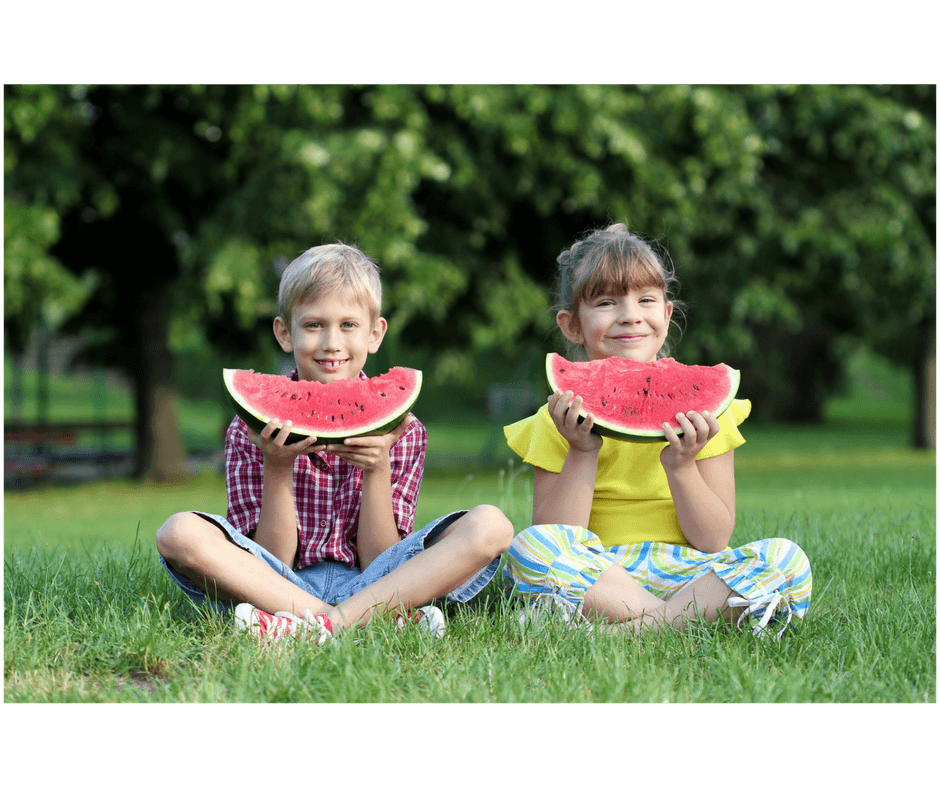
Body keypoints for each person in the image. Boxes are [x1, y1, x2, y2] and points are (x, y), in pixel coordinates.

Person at [157, 243, 514, 644]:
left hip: (373, 581)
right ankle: (367, 621)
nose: (331, 343)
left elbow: (381, 560)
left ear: (375, 334)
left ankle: (312, 626)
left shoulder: (403, 429)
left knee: (490, 526)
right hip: (279, 585)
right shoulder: (251, 430)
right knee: (178, 532)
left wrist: (377, 468)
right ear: (284, 333)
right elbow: (269, 562)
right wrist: (277, 468)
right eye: (313, 325)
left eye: (348, 325)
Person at [502, 223, 812, 639]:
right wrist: (581, 452)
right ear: (571, 325)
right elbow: (558, 533)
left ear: (666, 315)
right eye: (607, 303)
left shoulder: (708, 412)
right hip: (600, 576)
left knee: (785, 560)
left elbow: (714, 539)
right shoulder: (559, 415)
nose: (630, 315)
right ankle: (681, 623)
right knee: (529, 549)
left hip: (690, 573)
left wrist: (682, 467)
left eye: (646, 300)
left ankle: (625, 632)